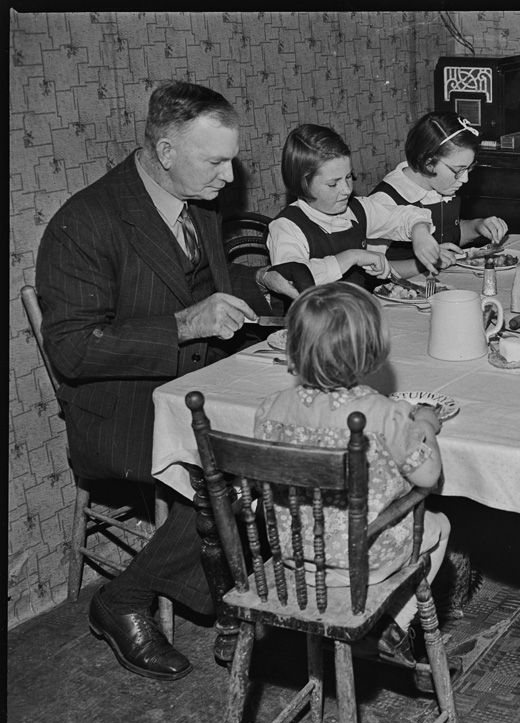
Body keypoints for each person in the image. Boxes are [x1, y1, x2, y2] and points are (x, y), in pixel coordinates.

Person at [35, 81, 304, 681]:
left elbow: (205, 281)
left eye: (231, 160)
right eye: (215, 162)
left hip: (193, 386)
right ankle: (125, 598)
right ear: (164, 151)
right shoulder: (85, 222)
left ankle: (247, 599)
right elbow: (72, 350)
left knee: (301, 428)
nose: (229, 177)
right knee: (247, 466)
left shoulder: (195, 198)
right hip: (123, 407)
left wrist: (264, 281)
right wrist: (183, 325)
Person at [254, 282, 450, 672]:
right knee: (439, 525)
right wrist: (426, 425)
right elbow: (429, 476)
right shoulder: (385, 414)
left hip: (294, 557)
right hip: (363, 561)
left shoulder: (271, 407)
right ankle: (393, 625)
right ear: (371, 353)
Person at [268, 124, 449, 289]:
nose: (347, 190)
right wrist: (352, 256)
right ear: (303, 184)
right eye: (333, 184)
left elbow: (407, 216)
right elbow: (290, 278)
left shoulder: (357, 209)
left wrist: (419, 231)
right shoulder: (286, 226)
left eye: (348, 177)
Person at [367, 111, 508, 276]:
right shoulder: (385, 200)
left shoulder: (442, 186)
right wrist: (425, 263)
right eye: (458, 170)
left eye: (469, 168)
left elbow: (449, 235)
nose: (465, 179)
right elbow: (368, 268)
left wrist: (477, 227)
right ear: (428, 163)